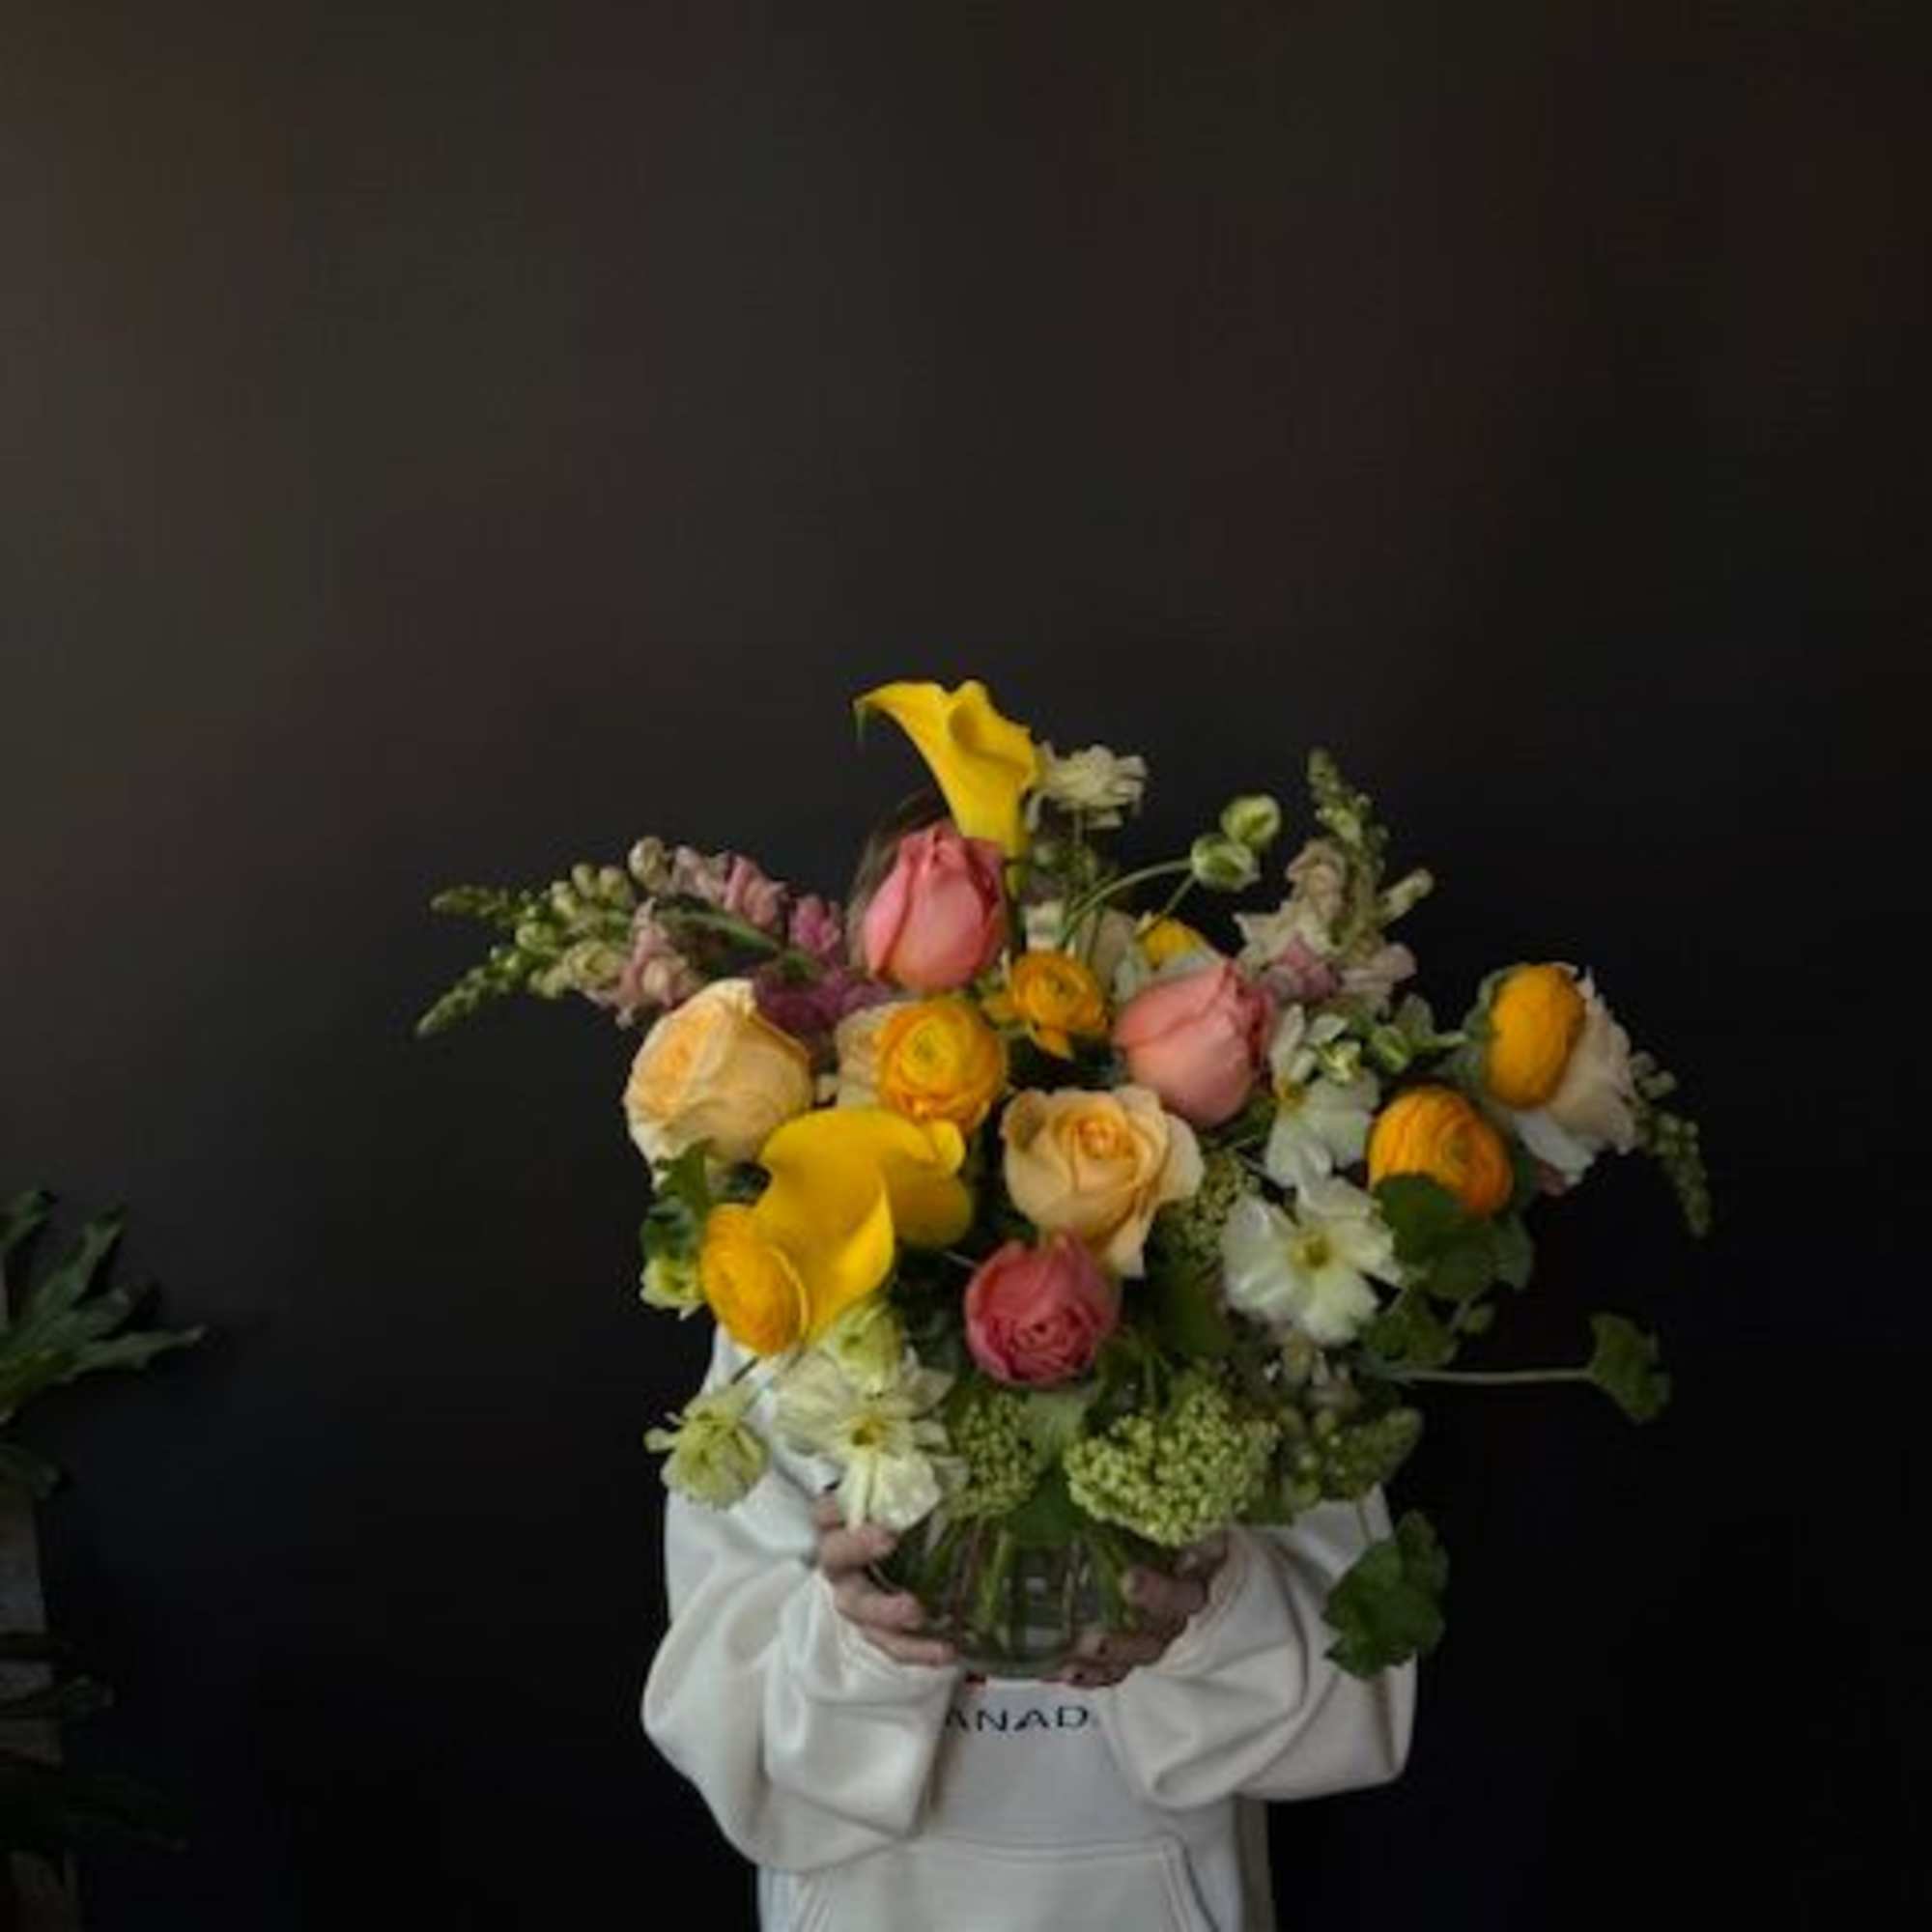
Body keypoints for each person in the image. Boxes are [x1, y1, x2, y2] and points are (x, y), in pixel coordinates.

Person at [641, 1325, 1417, 1932]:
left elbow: (1355, 1709)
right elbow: (729, 1740)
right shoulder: (794, 1298)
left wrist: (1207, 1612)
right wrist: (861, 1642)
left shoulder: (1240, 1288)